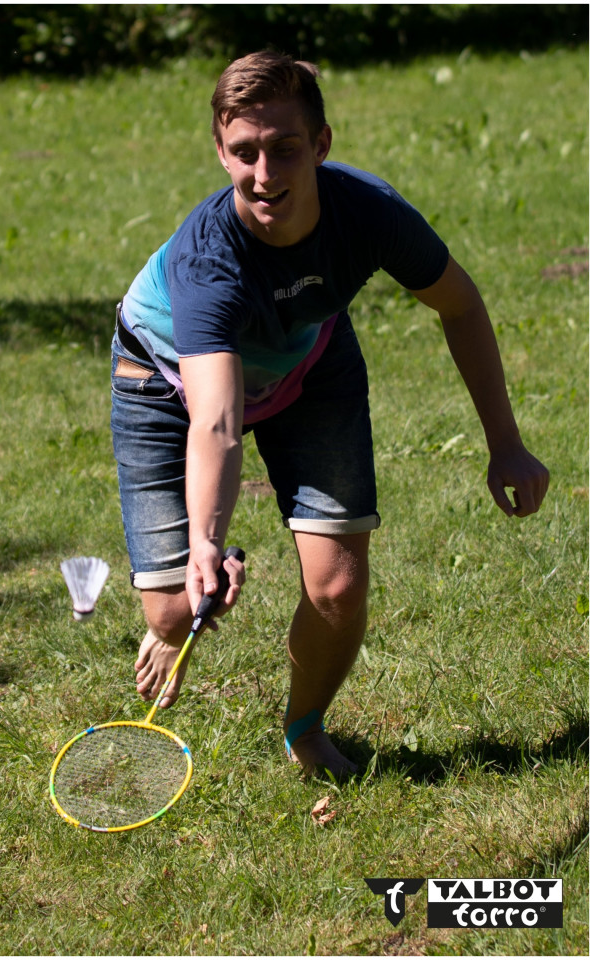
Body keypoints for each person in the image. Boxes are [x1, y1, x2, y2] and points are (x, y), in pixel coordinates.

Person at [111, 51, 549, 778]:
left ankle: (305, 728)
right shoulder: (207, 264)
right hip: (164, 381)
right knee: (177, 610)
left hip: (307, 365)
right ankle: (187, 596)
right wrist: (205, 545)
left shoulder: (368, 213)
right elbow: (217, 422)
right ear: (219, 151)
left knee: (338, 586)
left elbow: (460, 304)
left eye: (284, 148)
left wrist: (506, 443)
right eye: (243, 152)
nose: (263, 174)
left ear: (321, 144)